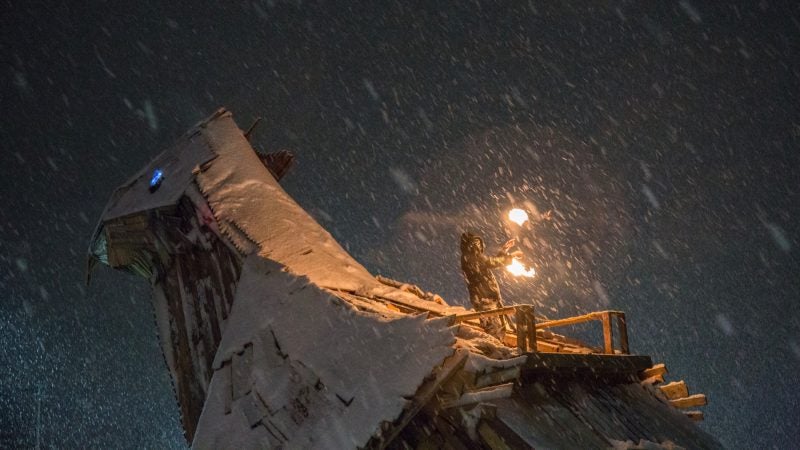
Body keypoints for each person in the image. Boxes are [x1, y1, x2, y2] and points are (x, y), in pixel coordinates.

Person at [460, 232, 522, 340]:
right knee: (494, 331)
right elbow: (492, 262)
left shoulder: (473, 258)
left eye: (479, 243)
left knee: (499, 329)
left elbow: (490, 262)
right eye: (475, 243)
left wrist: (504, 250)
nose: (478, 246)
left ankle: (498, 350)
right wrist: (511, 256)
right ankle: (495, 354)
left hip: (489, 300)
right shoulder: (470, 258)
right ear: (469, 245)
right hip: (485, 301)